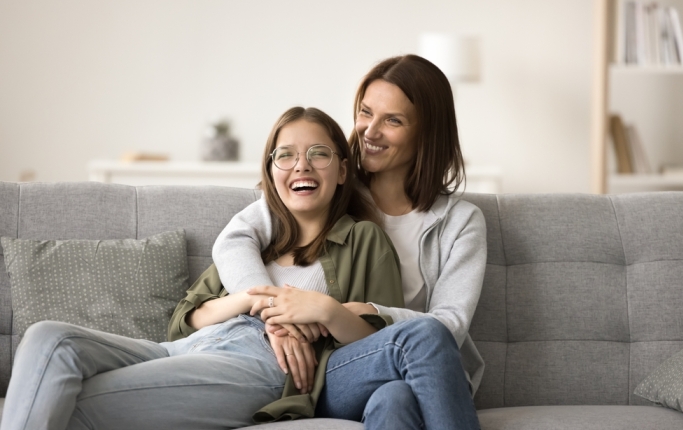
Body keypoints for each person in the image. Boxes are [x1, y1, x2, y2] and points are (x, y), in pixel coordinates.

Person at [1, 106, 405, 430]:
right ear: (271, 173)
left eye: (318, 153)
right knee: (47, 339)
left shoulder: (362, 239)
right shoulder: (252, 247)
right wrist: (257, 302)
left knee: (70, 399)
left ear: (342, 171)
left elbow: (381, 340)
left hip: (258, 365)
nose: (301, 165)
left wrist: (314, 315)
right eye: (286, 155)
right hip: (178, 349)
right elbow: (184, 320)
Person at [213, 54, 487, 430]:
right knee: (420, 340)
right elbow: (234, 239)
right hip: (332, 369)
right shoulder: (329, 184)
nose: (369, 131)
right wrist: (272, 310)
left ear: (427, 132)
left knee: (396, 398)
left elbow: (450, 324)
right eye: (365, 112)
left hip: (409, 373)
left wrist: (363, 310)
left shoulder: (460, 222)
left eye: (393, 120)